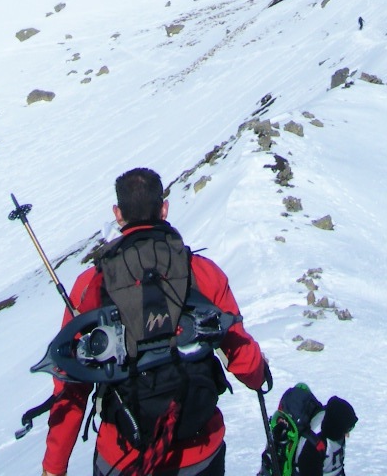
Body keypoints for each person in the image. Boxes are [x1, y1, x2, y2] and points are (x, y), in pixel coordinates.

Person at [42, 167, 268, 476]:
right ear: (164, 208)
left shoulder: (93, 284)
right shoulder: (201, 272)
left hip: (123, 457)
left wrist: (54, 468)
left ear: (118, 214)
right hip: (200, 453)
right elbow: (241, 352)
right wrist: (259, 375)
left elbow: (72, 383)